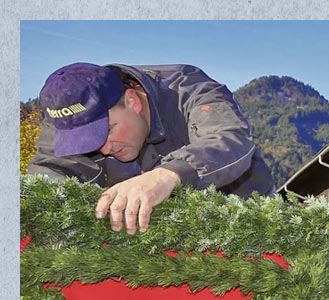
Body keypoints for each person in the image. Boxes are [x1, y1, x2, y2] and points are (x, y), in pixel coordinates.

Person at [29, 62, 275, 235]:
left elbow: (229, 138)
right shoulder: (66, 119)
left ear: (132, 102)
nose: (103, 149)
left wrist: (166, 175)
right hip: (151, 243)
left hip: (241, 218)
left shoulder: (188, 89)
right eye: (85, 142)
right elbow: (45, 177)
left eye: (106, 131)